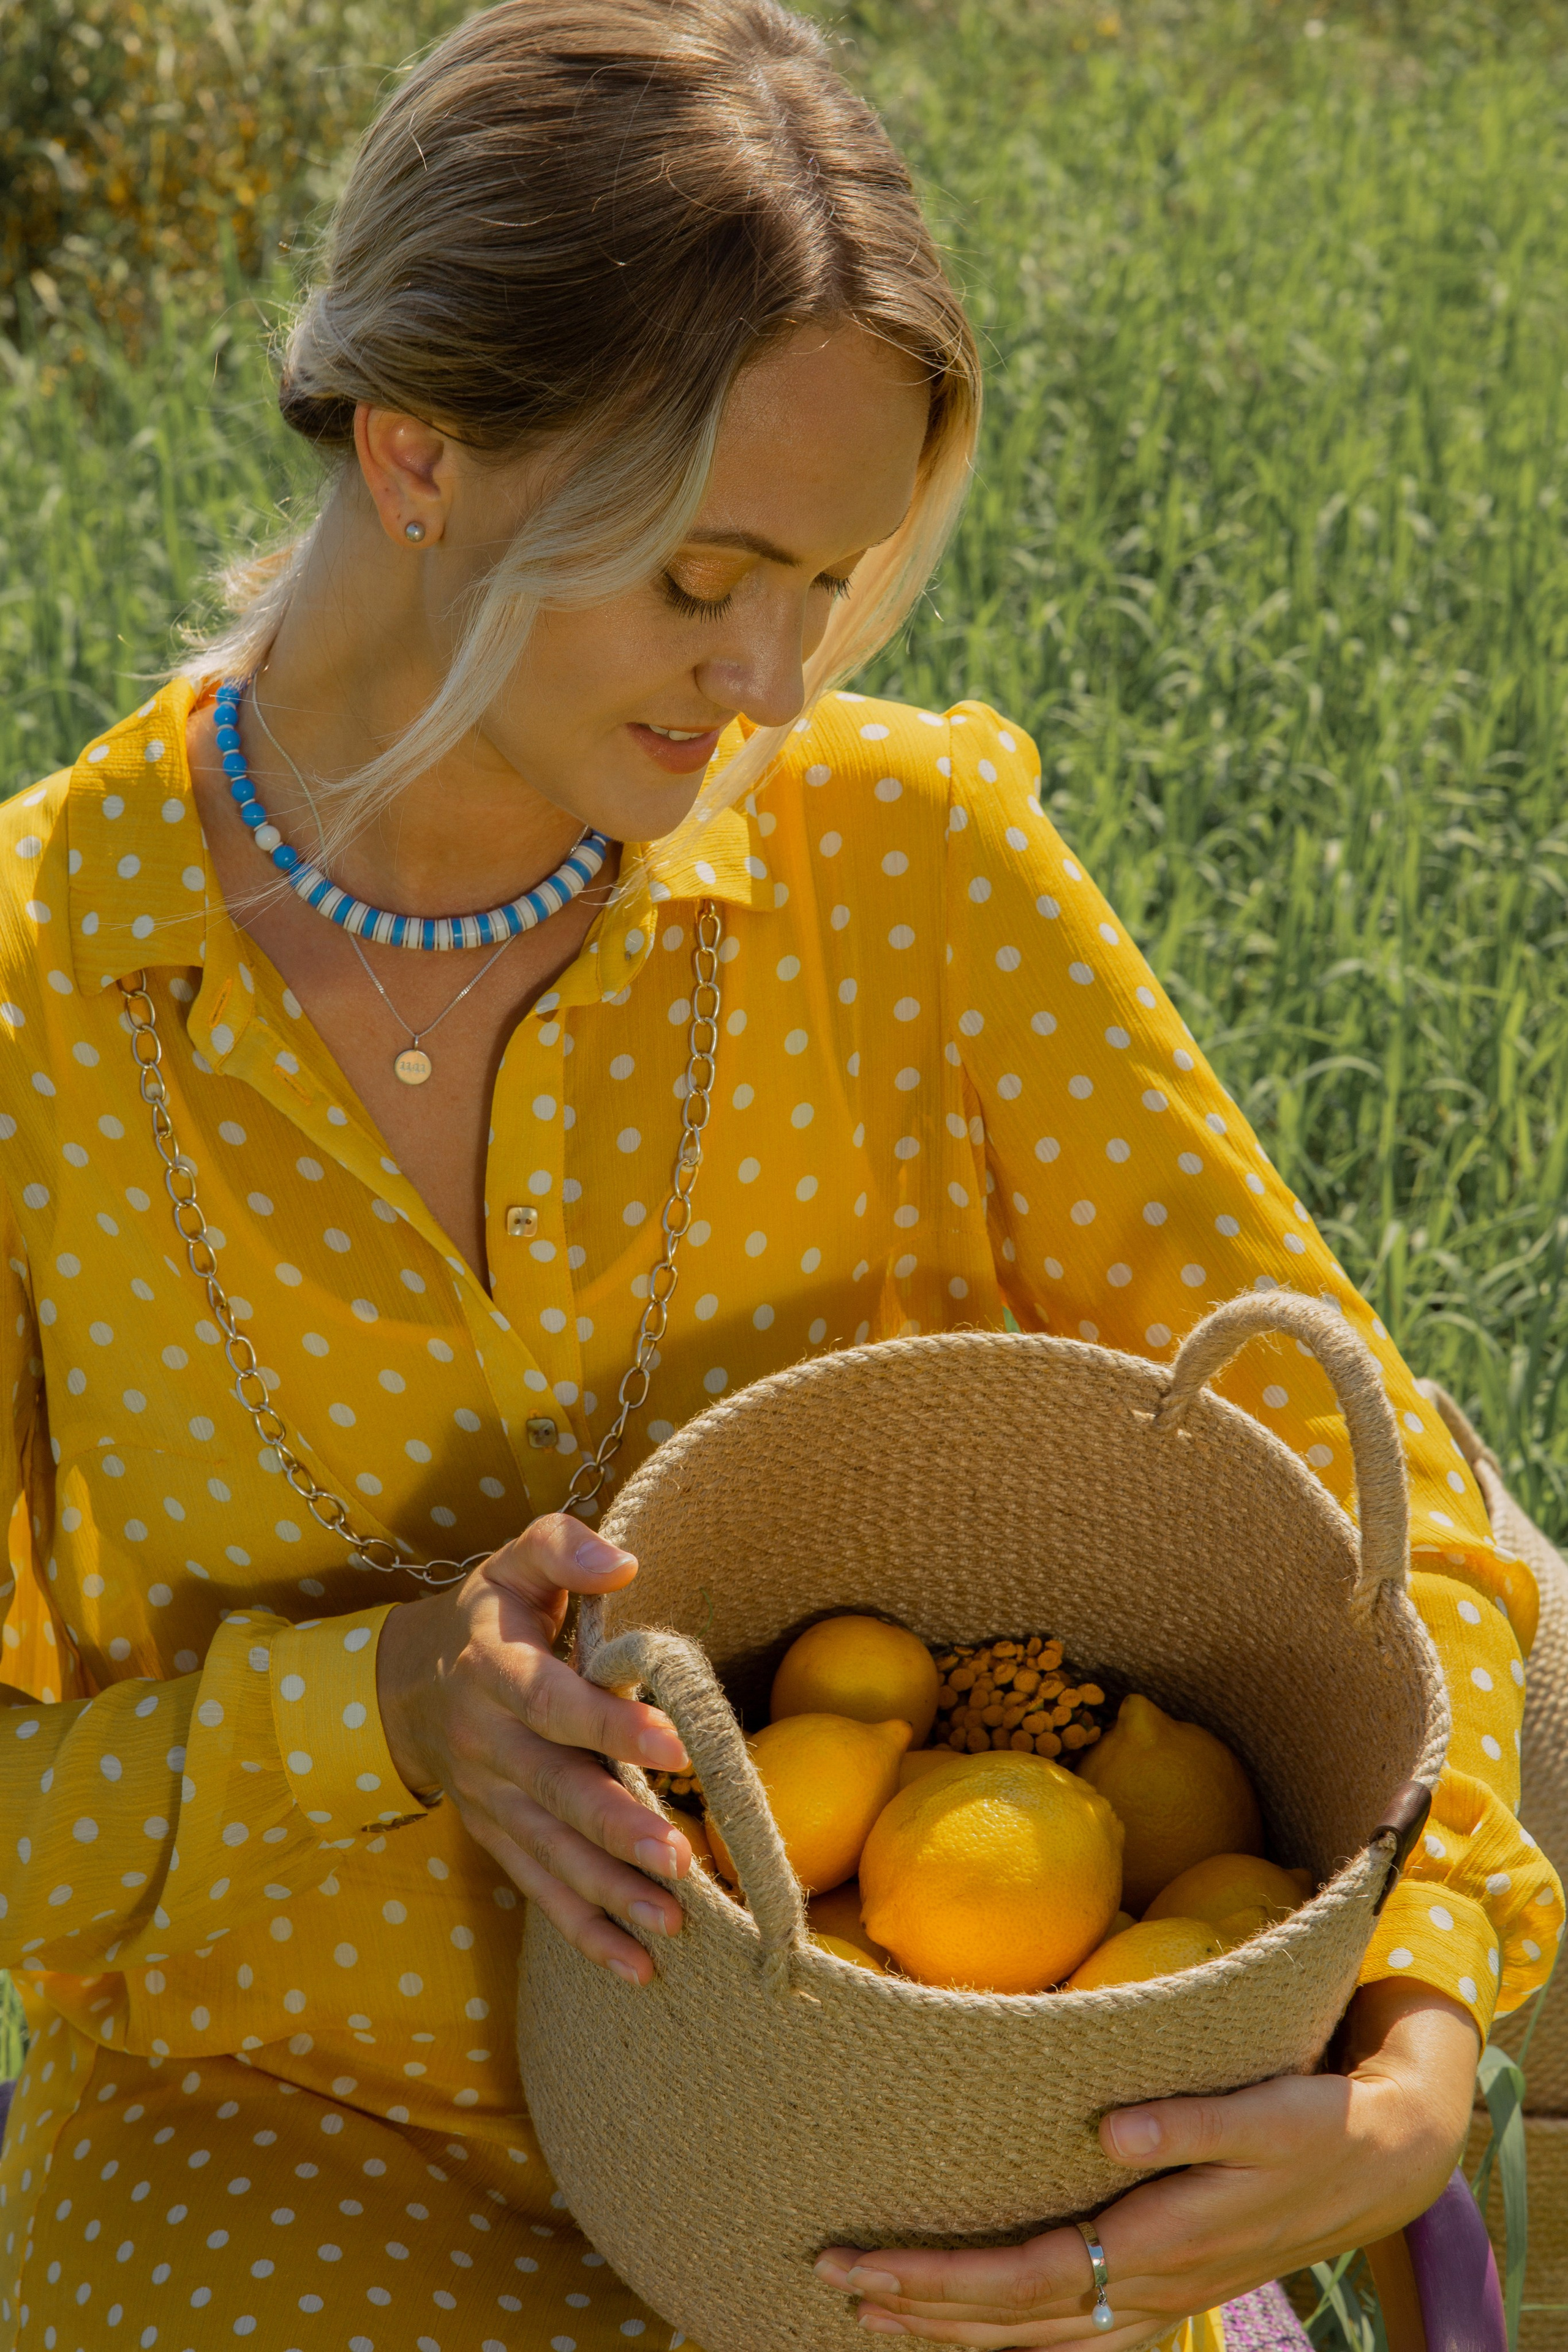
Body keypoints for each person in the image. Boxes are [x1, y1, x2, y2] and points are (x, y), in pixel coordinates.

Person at [0, 3, 1556, 2347]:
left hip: (931, 2139)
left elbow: (1391, 1502)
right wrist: (388, 1711)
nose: (778, 686)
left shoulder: (905, 864)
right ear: (419, 454)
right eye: (704, 578)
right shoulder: (35, 998)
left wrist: (1423, 2036)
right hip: (300, 2143)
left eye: (827, 586)